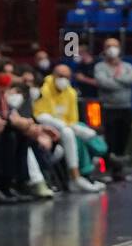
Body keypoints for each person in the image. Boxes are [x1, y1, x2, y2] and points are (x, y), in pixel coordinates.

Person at [35, 64, 105, 192]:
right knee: (68, 132)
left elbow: (73, 120)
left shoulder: (71, 93)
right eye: (60, 76)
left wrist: (73, 128)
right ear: (53, 75)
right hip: (46, 128)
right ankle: (76, 177)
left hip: (66, 128)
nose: (63, 79)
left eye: (67, 77)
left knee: (87, 134)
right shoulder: (44, 89)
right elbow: (40, 116)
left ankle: (86, 175)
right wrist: (63, 126)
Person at [94, 37, 132, 175]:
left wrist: (114, 78)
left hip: (125, 107)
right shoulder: (99, 67)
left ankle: (119, 169)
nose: (112, 49)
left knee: (123, 137)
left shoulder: (127, 66)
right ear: (104, 50)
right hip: (108, 108)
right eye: (108, 46)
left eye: (115, 46)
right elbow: (104, 83)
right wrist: (121, 82)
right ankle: (107, 169)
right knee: (109, 139)